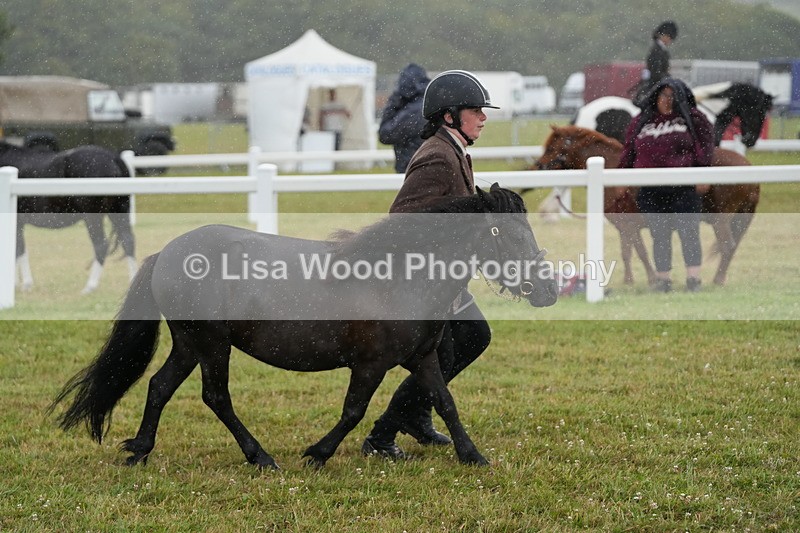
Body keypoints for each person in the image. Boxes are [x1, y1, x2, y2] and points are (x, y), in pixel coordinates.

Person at [361, 70, 499, 459]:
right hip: (423, 280)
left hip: (443, 278)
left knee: (474, 337)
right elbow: (402, 218)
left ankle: (415, 417)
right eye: (476, 111)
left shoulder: (454, 149)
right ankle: (383, 435)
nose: (483, 118)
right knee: (450, 353)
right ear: (449, 115)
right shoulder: (437, 155)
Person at [618, 77, 715, 293]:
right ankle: (663, 280)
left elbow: (706, 146)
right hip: (651, 189)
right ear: (656, 96)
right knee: (659, 234)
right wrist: (621, 175)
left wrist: (703, 172)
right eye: (663, 95)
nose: (667, 100)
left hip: (684, 187)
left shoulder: (693, 118)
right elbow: (629, 150)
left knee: (688, 232)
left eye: (673, 96)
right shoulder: (642, 120)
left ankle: (693, 279)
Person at [378, 63, 430, 173]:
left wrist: (393, 102)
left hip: (414, 171)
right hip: (423, 169)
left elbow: (385, 135)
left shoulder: (414, 111)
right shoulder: (426, 104)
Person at [633, 21, 678, 106]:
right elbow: (656, 72)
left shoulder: (661, 49)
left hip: (657, 81)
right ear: (663, 35)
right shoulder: (656, 50)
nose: (670, 40)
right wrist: (667, 79)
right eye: (669, 37)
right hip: (654, 84)